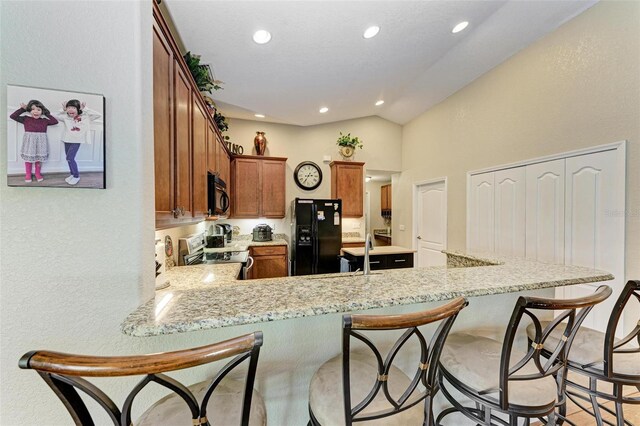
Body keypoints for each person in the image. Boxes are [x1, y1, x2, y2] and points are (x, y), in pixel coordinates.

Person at [9, 100, 58, 182]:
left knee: (39, 158)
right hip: (30, 141)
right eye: (33, 109)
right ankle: (28, 174)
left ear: (42, 111)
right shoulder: (26, 119)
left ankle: (37, 173)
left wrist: (46, 113)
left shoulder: (44, 120)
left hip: (41, 142)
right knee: (29, 158)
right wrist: (22, 109)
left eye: (39, 110)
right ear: (30, 110)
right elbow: (12, 116)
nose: (36, 111)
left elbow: (55, 121)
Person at [57, 99, 101, 185]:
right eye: (68, 107)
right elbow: (53, 115)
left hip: (76, 141)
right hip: (67, 140)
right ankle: (72, 174)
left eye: (73, 107)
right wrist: (62, 109)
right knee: (69, 159)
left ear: (78, 109)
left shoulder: (85, 117)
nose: (70, 109)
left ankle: (76, 176)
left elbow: (98, 115)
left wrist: (86, 109)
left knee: (70, 158)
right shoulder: (65, 117)